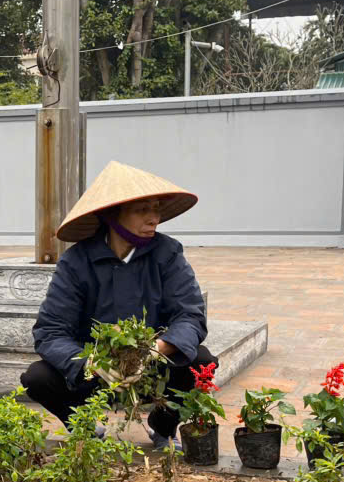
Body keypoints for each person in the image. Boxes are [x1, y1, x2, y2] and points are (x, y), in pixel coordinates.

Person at [21, 160, 216, 447]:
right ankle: (84, 425)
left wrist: (155, 350)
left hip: (152, 366)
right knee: (38, 377)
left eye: (156, 209)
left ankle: (163, 427)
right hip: (96, 373)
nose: (154, 219)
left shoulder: (167, 253)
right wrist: (92, 363)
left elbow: (190, 315)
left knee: (200, 361)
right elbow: (50, 331)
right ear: (112, 215)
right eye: (142, 210)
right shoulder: (77, 262)